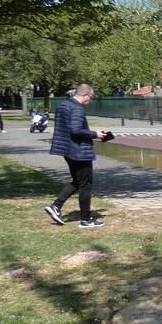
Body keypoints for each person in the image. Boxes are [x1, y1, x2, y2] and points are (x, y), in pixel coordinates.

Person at [43, 84, 106, 228]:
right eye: (91, 97)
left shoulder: (63, 105)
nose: (91, 101)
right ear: (85, 95)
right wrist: (95, 134)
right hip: (79, 151)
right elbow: (76, 130)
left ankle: (56, 206)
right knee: (85, 185)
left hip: (67, 149)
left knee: (77, 181)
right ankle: (86, 220)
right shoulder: (77, 108)